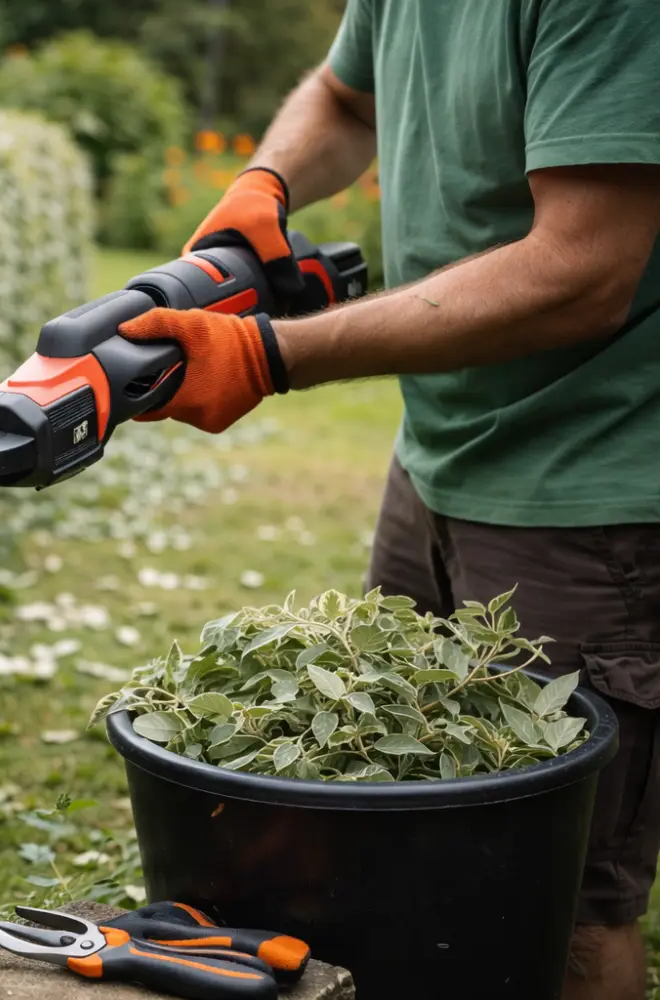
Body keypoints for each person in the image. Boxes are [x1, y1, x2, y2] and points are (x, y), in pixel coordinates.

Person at [120, 3, 660, 999]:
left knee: (568, 911)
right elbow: (343, 98)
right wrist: (264, 181)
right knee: (393, 807)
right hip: (436, 458)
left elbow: (585, 268)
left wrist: (273, 355)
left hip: (586, 495)